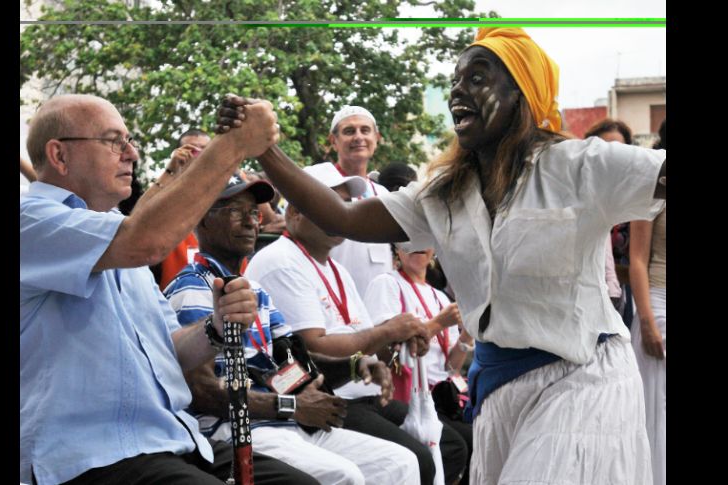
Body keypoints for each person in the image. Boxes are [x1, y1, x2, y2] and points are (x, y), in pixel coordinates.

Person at [217, 26, 666, 485]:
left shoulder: (580, 165)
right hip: (501, 389)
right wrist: (264, 149)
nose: (457, 91)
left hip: (583, 380)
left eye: (477, 77)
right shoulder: (444, 194)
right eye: (455, 80)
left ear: (521, 93)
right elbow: (339, 217)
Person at [20, 94, 321, 485]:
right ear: (59, 155)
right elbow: (148, 240)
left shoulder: (115, 233)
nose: (132, 154)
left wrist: (216, 325)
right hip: (93, 457)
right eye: (114, 141)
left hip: (176, 440)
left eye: (130, 140)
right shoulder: (32, 221)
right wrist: (232, 146)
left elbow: (172, 349)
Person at [164, 175, 421, 485]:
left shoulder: (256, 290)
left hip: (284, 425)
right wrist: (291, 406)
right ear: (202, 219)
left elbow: (290, 367)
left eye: (254, 213)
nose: (250, 222)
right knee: (344, 475)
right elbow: (203, 393)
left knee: (399, 463)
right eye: (235, 210)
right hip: (233, 431)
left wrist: (354, 365)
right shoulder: (191, 286)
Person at [246, 163, 469, 485]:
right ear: (294, 212)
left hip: (359, 394)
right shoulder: (281, 261)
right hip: (327, 399)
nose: (338, 213)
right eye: (328, 205)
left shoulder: (335, 268)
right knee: (420, 458)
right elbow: (313, 347)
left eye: (344, 205)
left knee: (450, 445)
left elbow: (366, 340)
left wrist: (401, 339)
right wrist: (388, 332)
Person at [364, 246, 475, 484]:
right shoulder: (387, 284)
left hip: (440, 398)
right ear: (396, 249)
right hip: (407, 396)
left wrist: (466, 335)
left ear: (433, 249)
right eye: (407, 240)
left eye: (422, 240)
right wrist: (438, 322)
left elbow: (450, 368)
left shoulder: (440, 297)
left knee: (477, 441)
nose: (416, 246)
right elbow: (386, 348)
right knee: (455, 447)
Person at [629, 118, 666, 485]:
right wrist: (647, 322)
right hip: (659, 307)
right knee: (657, 416)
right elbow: (637, 258)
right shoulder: (652, 185)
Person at [326, 106, 394, 296]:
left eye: (365, 130)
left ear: (376, 139)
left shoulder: (383, 194)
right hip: (335, 298)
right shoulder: (322, 185)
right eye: (349, 131)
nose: (358, 137)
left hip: (379, 304)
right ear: (334, 141)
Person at [585, 118, 635, 320]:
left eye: (620, 150)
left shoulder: (636, 195)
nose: (614, 156)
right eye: (606, 150)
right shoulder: (583, 193)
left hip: (630, 290)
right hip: (592, 289)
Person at [153, 128, 212, 289]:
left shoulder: (227, 188)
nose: (198, 154)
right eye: (191, 150)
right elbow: (142, 215)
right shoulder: (165, 192)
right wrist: (172, 169)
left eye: (205, 150)